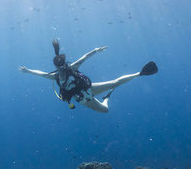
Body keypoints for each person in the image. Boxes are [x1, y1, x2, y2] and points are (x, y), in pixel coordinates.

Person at [19, 39, 158, 113]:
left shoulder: (71, 68)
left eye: (60, 67)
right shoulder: (54, 76)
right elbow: (42, 74)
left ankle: (140, 73)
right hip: (82, 99)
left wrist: (96, 50)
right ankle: (106, 99)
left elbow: (84, 58)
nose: (60, 69)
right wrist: (28, 71)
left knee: (115, 83)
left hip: (89, 90)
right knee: (105, 110)